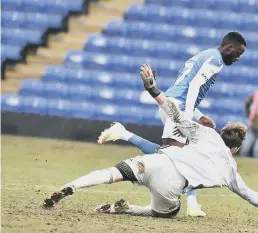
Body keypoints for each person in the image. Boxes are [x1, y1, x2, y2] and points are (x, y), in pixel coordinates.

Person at [43, 64, 258, 218]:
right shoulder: (231, 168)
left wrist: (153, 90)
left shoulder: (207, 134)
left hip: (157, 161)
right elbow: (250, 196)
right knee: (167, 212)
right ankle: (128, 209)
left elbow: (176, 115)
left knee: (111, 173)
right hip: (172, 185)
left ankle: (72, 185)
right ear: (237, 148)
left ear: (221, 134)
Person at [151, 31, 247, 215]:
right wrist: (186, 116)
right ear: (229, 48)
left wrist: (198, 114)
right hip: (176, 109)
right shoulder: (215, 60)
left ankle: (189, 203)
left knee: (179, 155)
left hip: (171, 104)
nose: (238, 58)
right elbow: (194, 85)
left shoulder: (205, 55)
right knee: (177, 159)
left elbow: (184, 86)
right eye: (238, 53)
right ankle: (179, 201)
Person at [240, 90, 258, 158]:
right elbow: (247, 102)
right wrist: (249, 115)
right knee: (245, 148)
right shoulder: (256, 94)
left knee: (257, 150)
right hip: (253, 126)